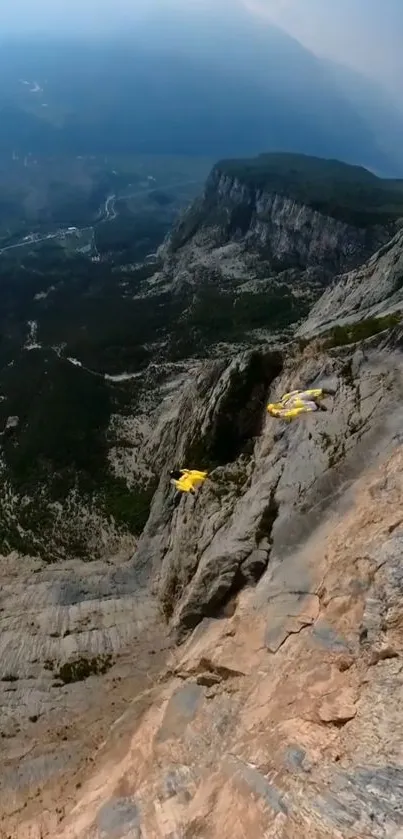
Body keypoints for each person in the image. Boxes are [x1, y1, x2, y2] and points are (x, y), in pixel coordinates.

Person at [267, 387, 335, 420]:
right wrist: (298, 391)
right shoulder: (282, 401)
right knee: (309, 395)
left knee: (310, 401)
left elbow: (291, 412)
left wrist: (300, 410)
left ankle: (317, 403)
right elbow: (291, 394)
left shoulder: (279, 410)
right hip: (294, 400)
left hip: (293, 402)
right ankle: (321, 393)